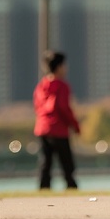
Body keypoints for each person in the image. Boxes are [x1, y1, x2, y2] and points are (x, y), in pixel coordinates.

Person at [33, 50, 81, 190]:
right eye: (64, 65)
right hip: (58, 129)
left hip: (42, 129)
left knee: (45, 162)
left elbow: (37, 106)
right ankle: (71, 186)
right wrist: (75, 126)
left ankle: (44, 187)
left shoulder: (40, 86)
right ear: (59, 67)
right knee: (67, 162)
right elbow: (63, 108)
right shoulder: (62, 86)